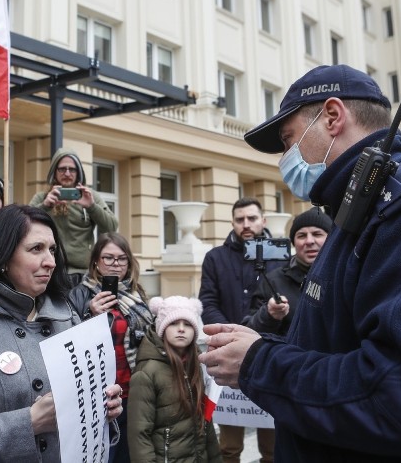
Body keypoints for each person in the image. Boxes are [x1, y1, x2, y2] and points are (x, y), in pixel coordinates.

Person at [201, 64, 401, 462]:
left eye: (289, 141)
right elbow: (342, 345)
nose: (285, 158)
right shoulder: (358, 211)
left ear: (333, 117)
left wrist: (260, 363)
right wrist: (261, 345)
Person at [0, 204, 123, 462]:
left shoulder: (68, 319)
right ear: (2, 257)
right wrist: (29, 422)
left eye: (52, 250)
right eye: (36, 249)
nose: (50, 261)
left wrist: (103, 408)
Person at [197, 196, 280, 463]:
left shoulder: (280, 255)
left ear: (263, 221)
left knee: (273, 446)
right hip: (227, 355)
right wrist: (230, 335)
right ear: (232, 222)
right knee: (229, 447)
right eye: (240, 219)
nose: (246, 224)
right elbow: (207, 301)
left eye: (252, 218)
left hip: (269, 353)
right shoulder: (215, 257)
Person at [68, 232, 155, 463]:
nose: (115, 264)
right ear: (96, 261)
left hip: (134, 390)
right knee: (102, 455)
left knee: (129, 454)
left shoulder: (137, 294)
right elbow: (68, 341)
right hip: (99, 395)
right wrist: (90, 313)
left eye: (121, 258)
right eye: (108, 258)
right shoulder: (80, 293)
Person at [127, 296, 222, 463]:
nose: (181, 329)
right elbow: (139, 435)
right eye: (173, 323)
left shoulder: (197, 366)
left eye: (187, 324)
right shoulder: (147, 373)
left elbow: (206, 424)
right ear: (161, 328)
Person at [29, 147, 118, 276]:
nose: (67, 173)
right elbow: (24, 226)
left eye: (72, 169)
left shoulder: (89, 196)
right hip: (50, 270)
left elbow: (111, 227)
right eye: (62, 169)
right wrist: (45, 206)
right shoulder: (42, 197)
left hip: (82, 273)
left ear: (78, 172)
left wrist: (91, 206)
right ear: (54, 171)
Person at [246, 206, 331, 334]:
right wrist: (269, 315)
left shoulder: (347, 276)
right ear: (293, 242)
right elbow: (249, 333)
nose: (309, 241)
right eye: (301, 235)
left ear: (330, 239)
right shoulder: (272, 281)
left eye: (317, 234)